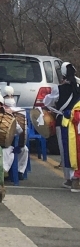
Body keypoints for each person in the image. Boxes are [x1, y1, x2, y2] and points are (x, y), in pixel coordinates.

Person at [45, 62, 80, 190]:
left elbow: (47, 102)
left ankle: (70, 178)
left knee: (66, 150)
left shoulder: (58, 89)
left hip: (64, 122)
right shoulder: (78, 86)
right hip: (78, 121)